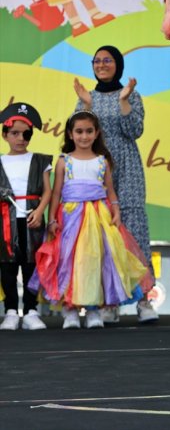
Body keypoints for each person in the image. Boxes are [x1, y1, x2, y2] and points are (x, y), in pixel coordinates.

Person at [29, 111, 152, 329]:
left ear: (96, 134)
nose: (84, 136)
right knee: (70, 260)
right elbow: (56, 193)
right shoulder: (63, 161)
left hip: (98, 217)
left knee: (97, 260)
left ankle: (94, 309)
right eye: (79, 131)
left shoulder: (102, 161)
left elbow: (110, 192)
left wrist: (116, 211)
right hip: (70, 217)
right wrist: (51, 220)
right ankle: (71, 310)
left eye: (88, 131)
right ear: (70, 134)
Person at [73, 45, 157, 323]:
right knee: (101, 234)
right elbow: (78, 134)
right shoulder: (87, 97)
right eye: (96, 61)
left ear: (117, 64)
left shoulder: (131, 95)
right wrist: (86, 105)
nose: (101, 64)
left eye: (107, 60)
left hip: (127, 168)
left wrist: (123, 101)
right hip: (95, 169)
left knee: (133, 229)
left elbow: (134, 131)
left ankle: (144, 300)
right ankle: (110, 302)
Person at [0, 103, 52, 331]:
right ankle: (10, 311)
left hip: (32, 218)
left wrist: (40, 211)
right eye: (15, 133)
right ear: (4, 135)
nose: (21, 138)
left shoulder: (40, 160)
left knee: (32, 265)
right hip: (5, 222)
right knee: (7, 266)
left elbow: (48, 190)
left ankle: (31, 311)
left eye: (26, 134)